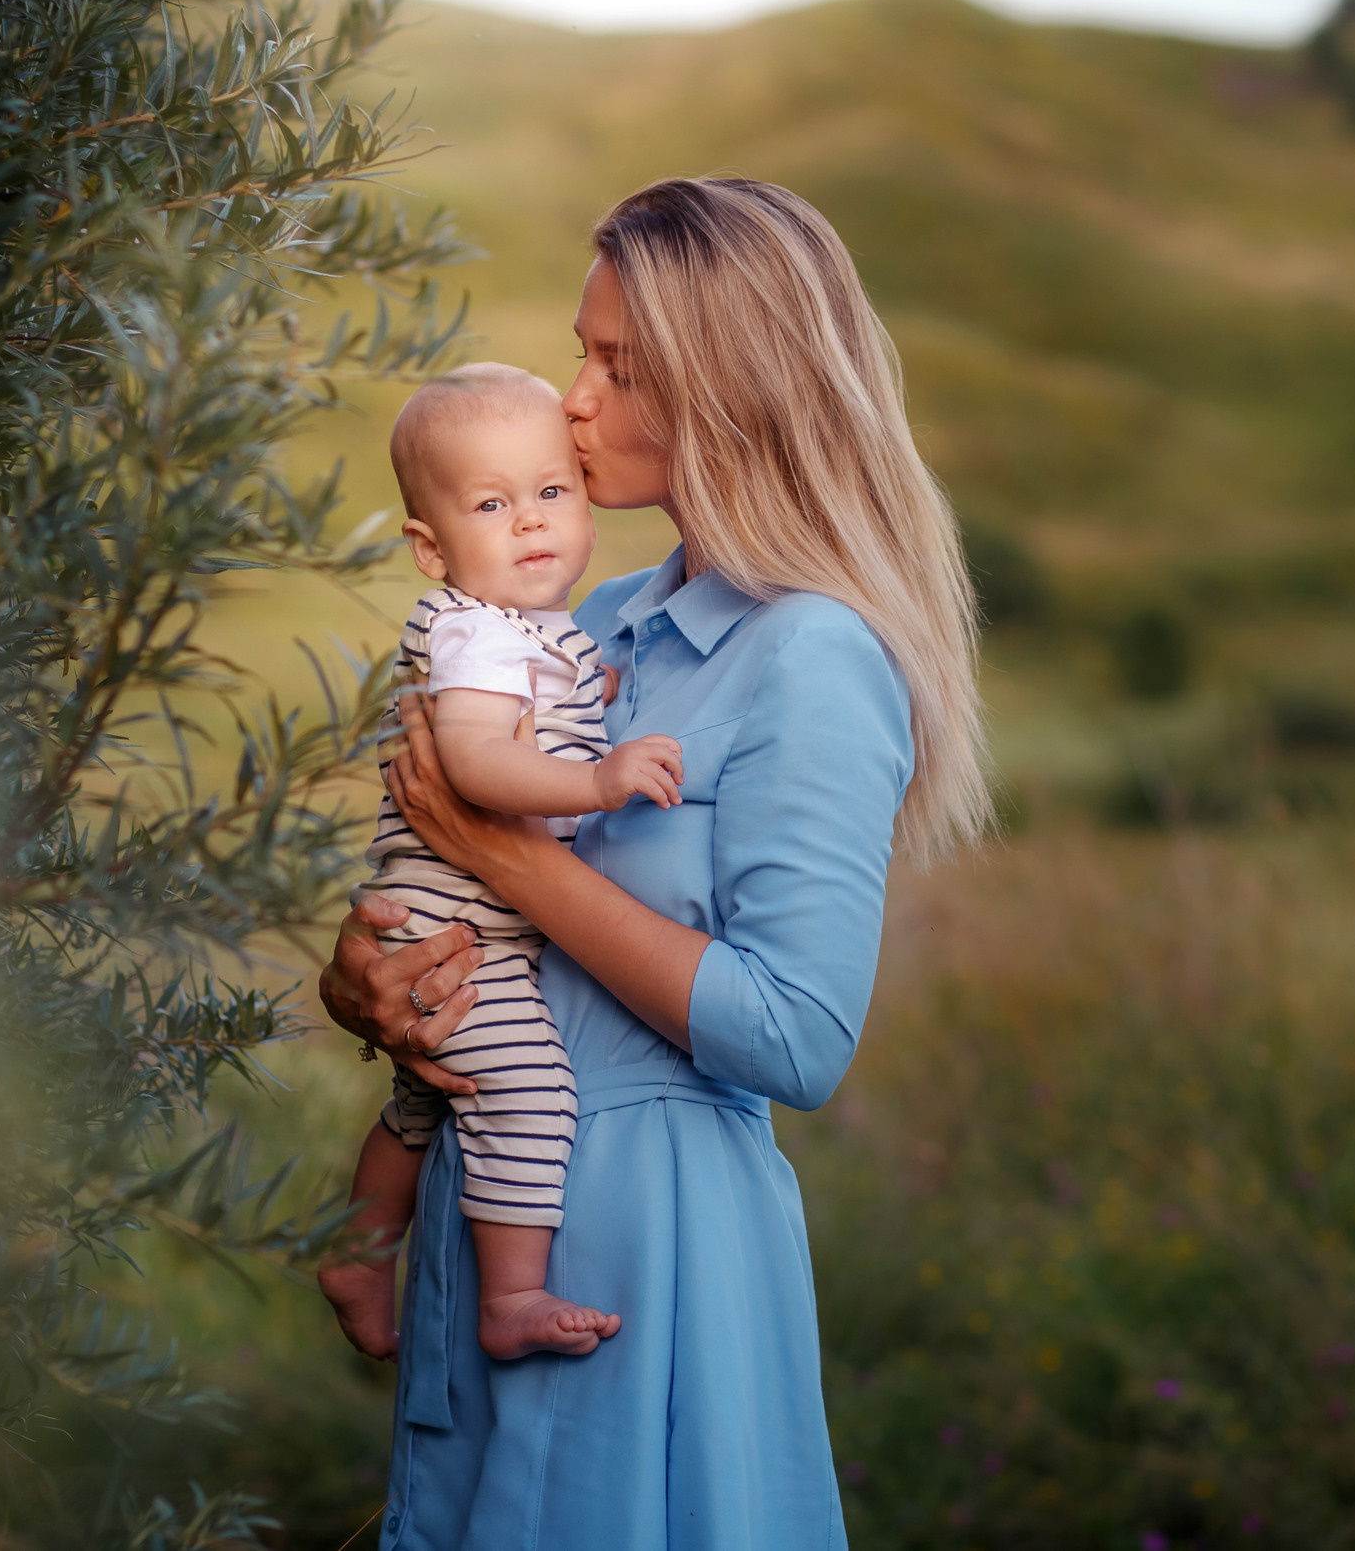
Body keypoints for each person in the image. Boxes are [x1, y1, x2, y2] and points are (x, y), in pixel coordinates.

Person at [319, 175, 992, 1551]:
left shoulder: (815, 654)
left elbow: (797, 1035)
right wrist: (366, 988)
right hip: (487, 1191)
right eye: (582, 350)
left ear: (727, 391)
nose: (572, 396)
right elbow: (452, 884)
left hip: (652, 1237)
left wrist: (503, 856)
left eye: (618, 367)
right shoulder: (587, 623)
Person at [316, 363, 684, 1363]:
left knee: (429, 1095)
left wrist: (585, 697)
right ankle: (511, 1297)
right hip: (459, 929)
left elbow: (541, 711)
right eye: (491, 505)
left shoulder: (535, 631)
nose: (529, 523)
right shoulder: (475, 632)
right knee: (526, 1092)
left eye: (549, 492)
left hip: (451, 928)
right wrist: (599, 780)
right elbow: (478, 766)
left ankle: (357, 1250)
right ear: (431, 548)